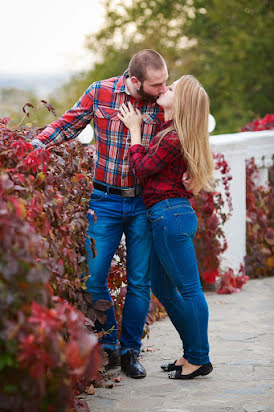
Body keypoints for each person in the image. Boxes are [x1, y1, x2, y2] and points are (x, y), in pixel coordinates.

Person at [31, 50, 168, 379]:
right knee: (92, 280)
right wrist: (31, 147)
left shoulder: (165, 103)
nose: (164, 89)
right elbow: (66, 126)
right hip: (104, 201)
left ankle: (130, 353)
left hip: (143, 204)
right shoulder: (100, 92)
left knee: (139, 283)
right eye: (156, 84)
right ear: (135, 81)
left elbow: (182, 139)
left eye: (165, 82)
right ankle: (109, 346)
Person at [117, 75, 214, 380]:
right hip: (165, 215)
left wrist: (134, 132)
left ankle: (199, 358)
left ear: (181, 102)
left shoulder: (173, 137)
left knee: (190, 290)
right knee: (162, 286)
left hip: (170, 216)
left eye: (171, 89)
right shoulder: (169, 129)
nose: (164, 89)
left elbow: (143, 169)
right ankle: (191, 352)